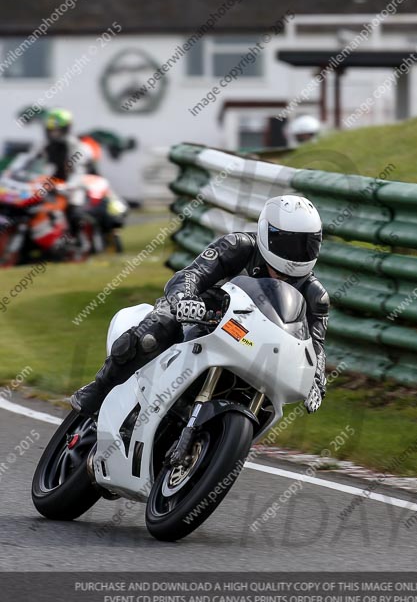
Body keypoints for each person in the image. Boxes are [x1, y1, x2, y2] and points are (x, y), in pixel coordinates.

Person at [71, 195, 330, 416]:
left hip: (254, 347)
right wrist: (184, 299)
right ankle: (99, 388)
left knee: (269, 404)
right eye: (288, 244)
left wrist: (316, 379)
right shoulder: (238, 246)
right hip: (205, 317)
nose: (296, 255)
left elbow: (315, 347)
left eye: (306, 246)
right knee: (154, 331)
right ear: (267, 234)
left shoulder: (315, 295)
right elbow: (191, 274)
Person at [37, 109, 90, 248]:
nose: (53, 133)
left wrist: (66, 186)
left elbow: (78, 173)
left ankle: (79, 242)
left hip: (70, 188)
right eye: (51, 130)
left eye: (57, 130)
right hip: (48, 187)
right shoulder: (43, 145)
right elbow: (31, 161)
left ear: (66, 128)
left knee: (75, 213)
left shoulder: (76, 146)